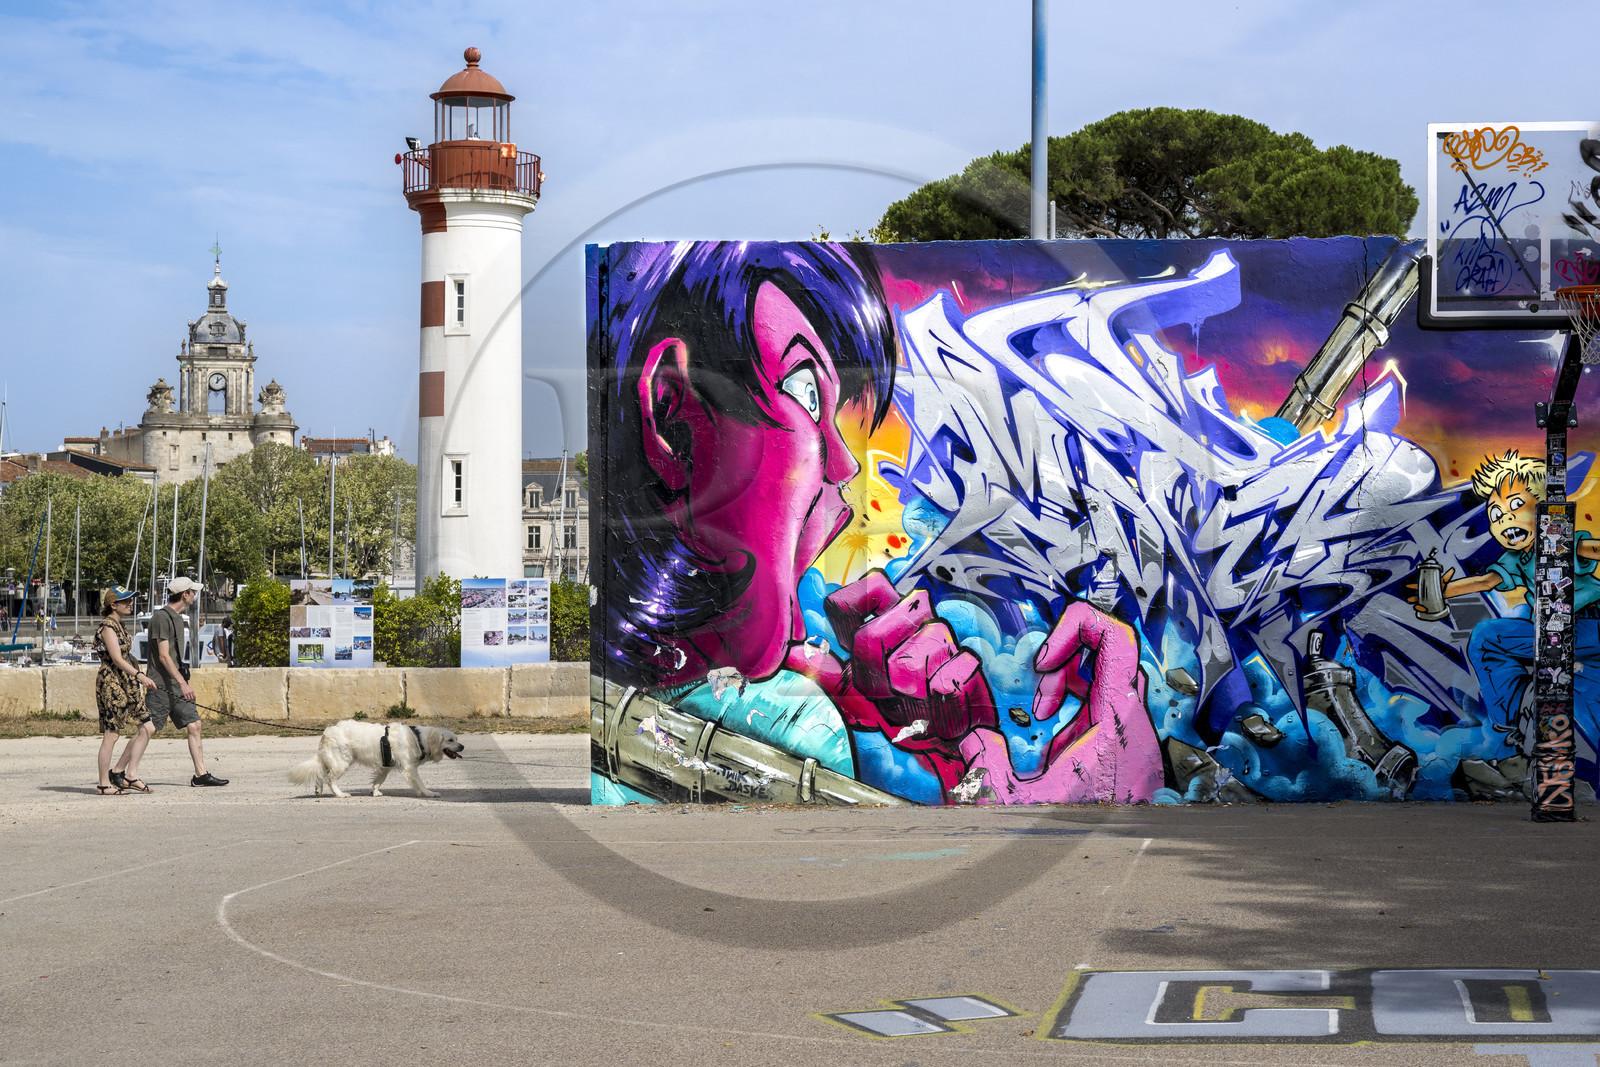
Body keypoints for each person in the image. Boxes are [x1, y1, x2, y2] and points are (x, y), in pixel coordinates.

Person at [597, 241, 1160, 804]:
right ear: (673, 415)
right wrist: (1085, 793)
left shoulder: (763, 716)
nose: (844, 465)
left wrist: (935, 761)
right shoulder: (780, 728)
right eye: (804, 392)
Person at [144, 576, 227, 787]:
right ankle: (119, 771)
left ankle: (200, 774)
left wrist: (181, 681)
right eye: (193, 592)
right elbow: (163, 656)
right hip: (162, 684)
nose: (196, 595)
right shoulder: (162, 618)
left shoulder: (178, 618)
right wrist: (183, 683)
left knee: (194, 724)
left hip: (176, 682)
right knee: (148, 728)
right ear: (185, 594)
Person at [94, 586, 158, 794]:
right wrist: (140, 676)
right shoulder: (108, 627)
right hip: (112, 682)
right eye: (126, 601)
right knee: (112, 734)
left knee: (148, 727)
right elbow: (117, 659)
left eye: (131, 600)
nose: (130, 604)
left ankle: (128, 775)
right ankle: (104, 784)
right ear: (113, 605)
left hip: (127, 682)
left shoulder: (120, 624)